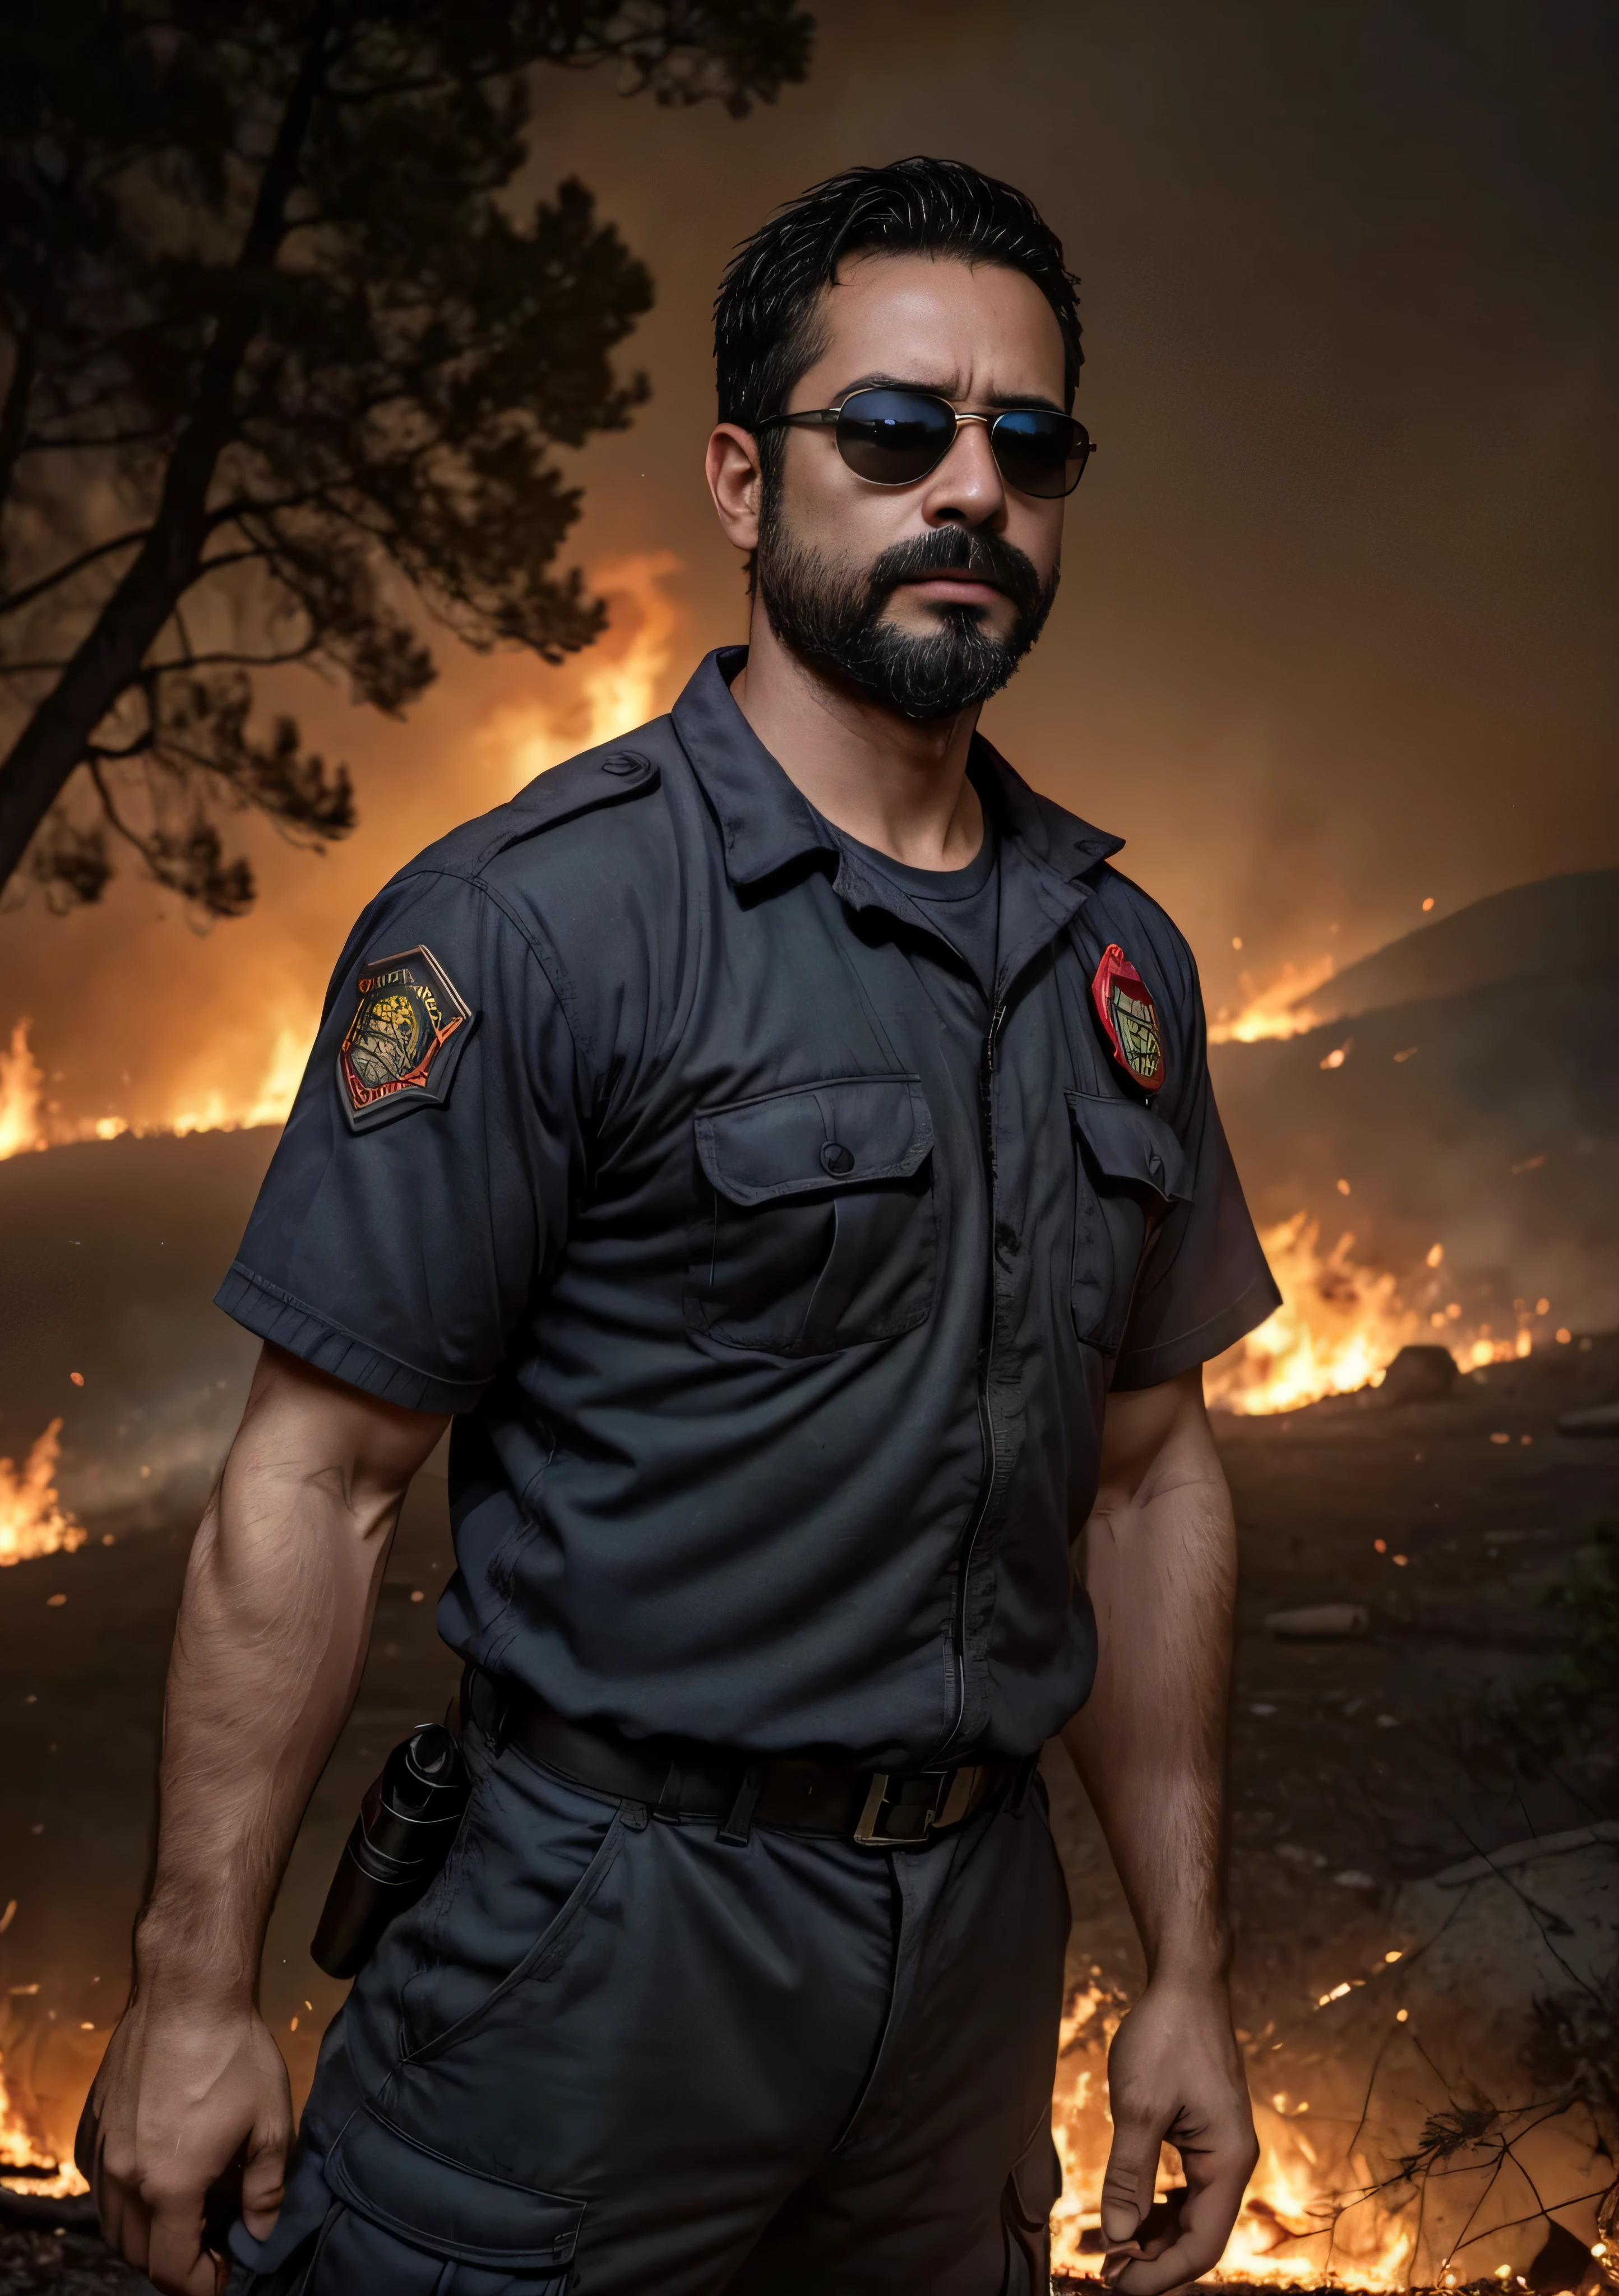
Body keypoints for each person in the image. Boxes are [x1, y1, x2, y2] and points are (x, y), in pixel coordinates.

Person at [81, 156, 1280, 2296]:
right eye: (897, 430)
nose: (973, 491)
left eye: (1032, 441)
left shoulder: (1128, 968)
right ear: (745, 478)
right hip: (598, 1954)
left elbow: (1150, 1470)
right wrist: (191, 1994)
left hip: (975, 1974)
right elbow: (317, 1485)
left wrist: (1182, 1961)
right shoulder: (531, 927)